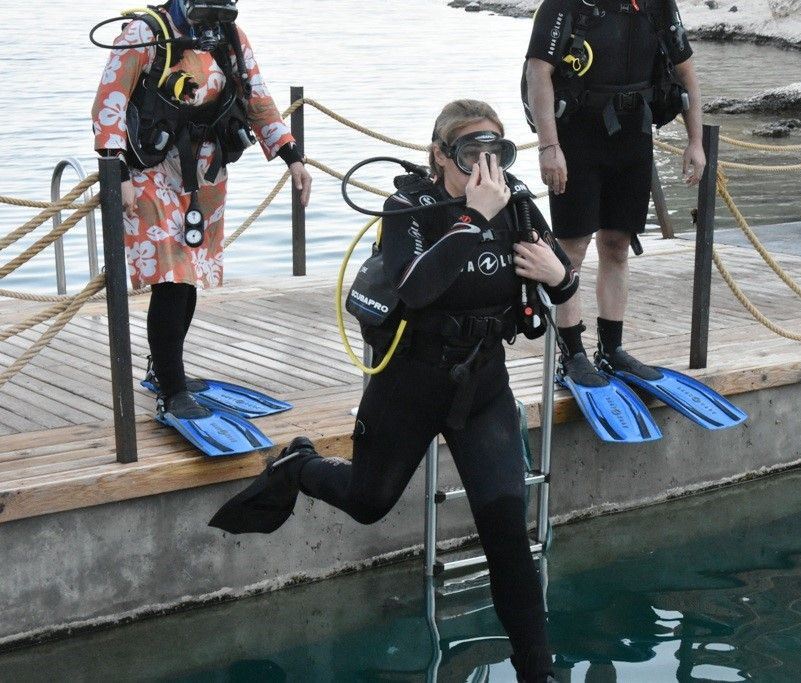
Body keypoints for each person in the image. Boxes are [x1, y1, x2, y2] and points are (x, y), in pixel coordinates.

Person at [209, 100, 580, 683]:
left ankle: (539, 671)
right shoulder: (409, 208)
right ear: (438, 156)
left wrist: (560, 276)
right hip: (408, 385)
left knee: (507, 533)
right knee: (368, 503)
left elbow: (564, 276)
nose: (485, 169)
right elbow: (418, 285)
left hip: (483, 390)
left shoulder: (518, 207)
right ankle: (300, 465)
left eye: (498, 154)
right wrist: (472, 219)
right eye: (468, 155)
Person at [91, 0, 311, 446]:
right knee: (170, 278)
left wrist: (292, 157)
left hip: (206, 173)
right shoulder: (144, 32)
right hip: (149, 171)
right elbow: (110, 100)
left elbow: (258, 98)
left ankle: (165, 368)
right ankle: (172, 391)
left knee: (189, 278)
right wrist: (117, 170)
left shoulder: (229, 36)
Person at [524, 0, 704, 388]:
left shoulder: (657, 5)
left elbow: (685, 69)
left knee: (617, 244)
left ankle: (612, 350)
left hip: (633, 135)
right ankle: (571, 355)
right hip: (576, 137)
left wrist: (696, 141)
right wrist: (548, 147)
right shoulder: (565, 5)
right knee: (571, 249)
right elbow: (538, 71)